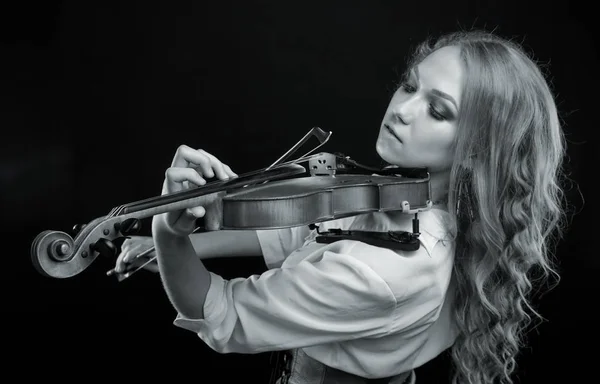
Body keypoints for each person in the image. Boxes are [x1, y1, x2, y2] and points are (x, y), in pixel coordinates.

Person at [114, 29, 569, 384]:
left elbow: (223, 315)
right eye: (410, 86)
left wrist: (169, 234)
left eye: (438, 111)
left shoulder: (385, 270)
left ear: (475, 149)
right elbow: (301, 230)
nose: (403, 110)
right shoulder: (409, 197)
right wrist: (184, 242)